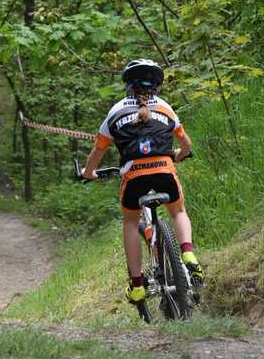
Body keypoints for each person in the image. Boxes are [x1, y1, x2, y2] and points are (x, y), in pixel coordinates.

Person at [81, 58, 204, 303]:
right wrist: (180, 155)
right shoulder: (166, 108)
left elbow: (98, 151)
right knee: (178, 211)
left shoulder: (115, 111)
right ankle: (188, 254)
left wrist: (88, 173)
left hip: (134, 178)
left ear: (128, 86)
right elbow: (186, 144)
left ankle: (137, 285)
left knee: (130, 222)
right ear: (156, 87)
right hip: (164, 172)